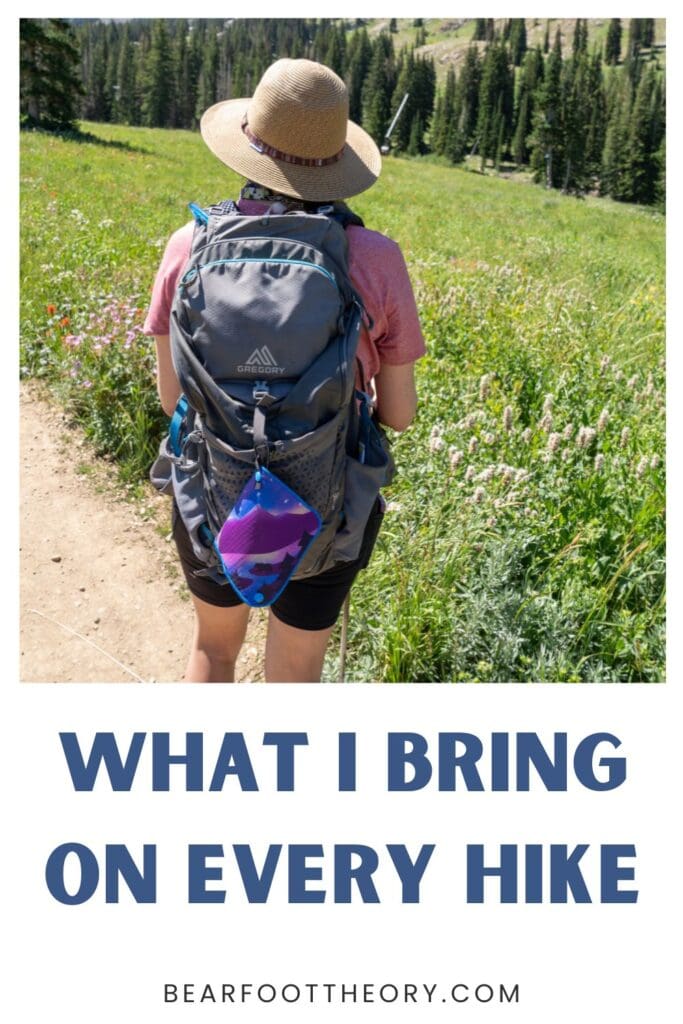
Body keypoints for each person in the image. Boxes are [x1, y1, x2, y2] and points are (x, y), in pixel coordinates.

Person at [143, 58, 425, 683]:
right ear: (335, 159)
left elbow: (172, 400)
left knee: (212, 652)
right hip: (326, 506)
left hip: (212, 491)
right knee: (294, 675)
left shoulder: (187, 247)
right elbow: (399, 416)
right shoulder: (375, 258)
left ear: (247, 146)